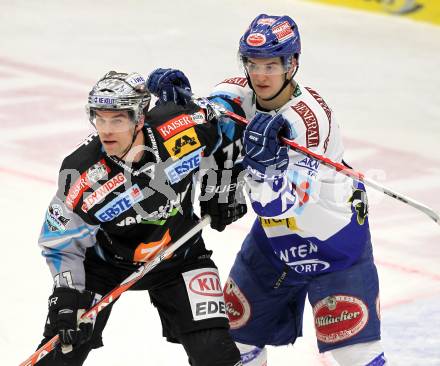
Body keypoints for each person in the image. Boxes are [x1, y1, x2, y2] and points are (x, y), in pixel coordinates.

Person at [146, 13, 388, 366]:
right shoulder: (237, 91)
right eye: (253, 63)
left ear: (292, 65)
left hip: (333, 245)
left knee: (355, 356)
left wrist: (266, 167)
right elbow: (208, 123)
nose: (260, 75)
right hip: (274, 246)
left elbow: (279, 205)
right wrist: (176, 108)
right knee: (233, 344)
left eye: (271, 65)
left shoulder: (308, 120)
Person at [34, 70, 247, 365]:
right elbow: (60, 242)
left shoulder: (180, 127)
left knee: (215, 354)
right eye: (100, 118)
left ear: (140, 117)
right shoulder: (81, 172)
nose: (106, 130)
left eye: (117, 119)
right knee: (60, 354)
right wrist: (67, 296)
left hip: (179, 254)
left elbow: (228, 124)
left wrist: (222, 187)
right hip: (104, 266)